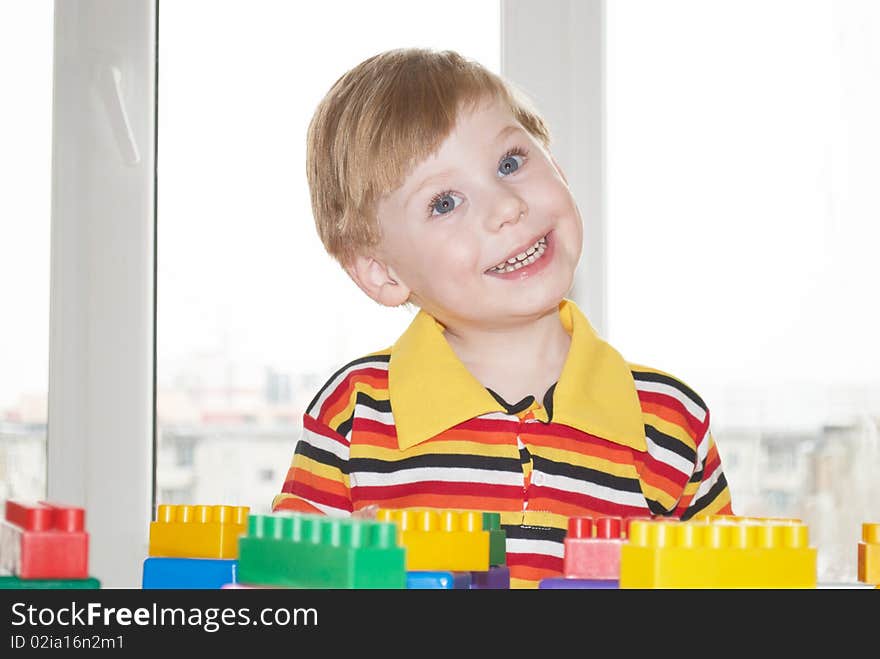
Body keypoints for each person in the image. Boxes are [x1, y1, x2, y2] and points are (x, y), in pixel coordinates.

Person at [272, 47, 733, 588]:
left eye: (510, 162)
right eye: (444, 202)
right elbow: (280, 591)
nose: (505, 205)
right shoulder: (355, 413)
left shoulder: (671, 423)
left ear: (556, 165)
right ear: (382, 272)